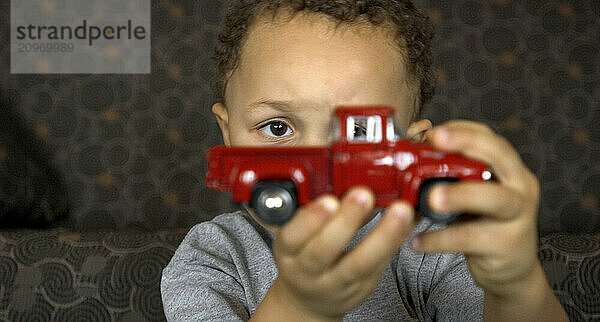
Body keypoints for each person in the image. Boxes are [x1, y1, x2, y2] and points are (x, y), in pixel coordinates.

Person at [161, 0, 568, 320]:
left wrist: (514, 286)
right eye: (278, 127)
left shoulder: (430, 245)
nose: (320, 158)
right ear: (228, 135)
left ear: (410, 145)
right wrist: (301, 307)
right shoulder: (213, 257)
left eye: (356, 133)